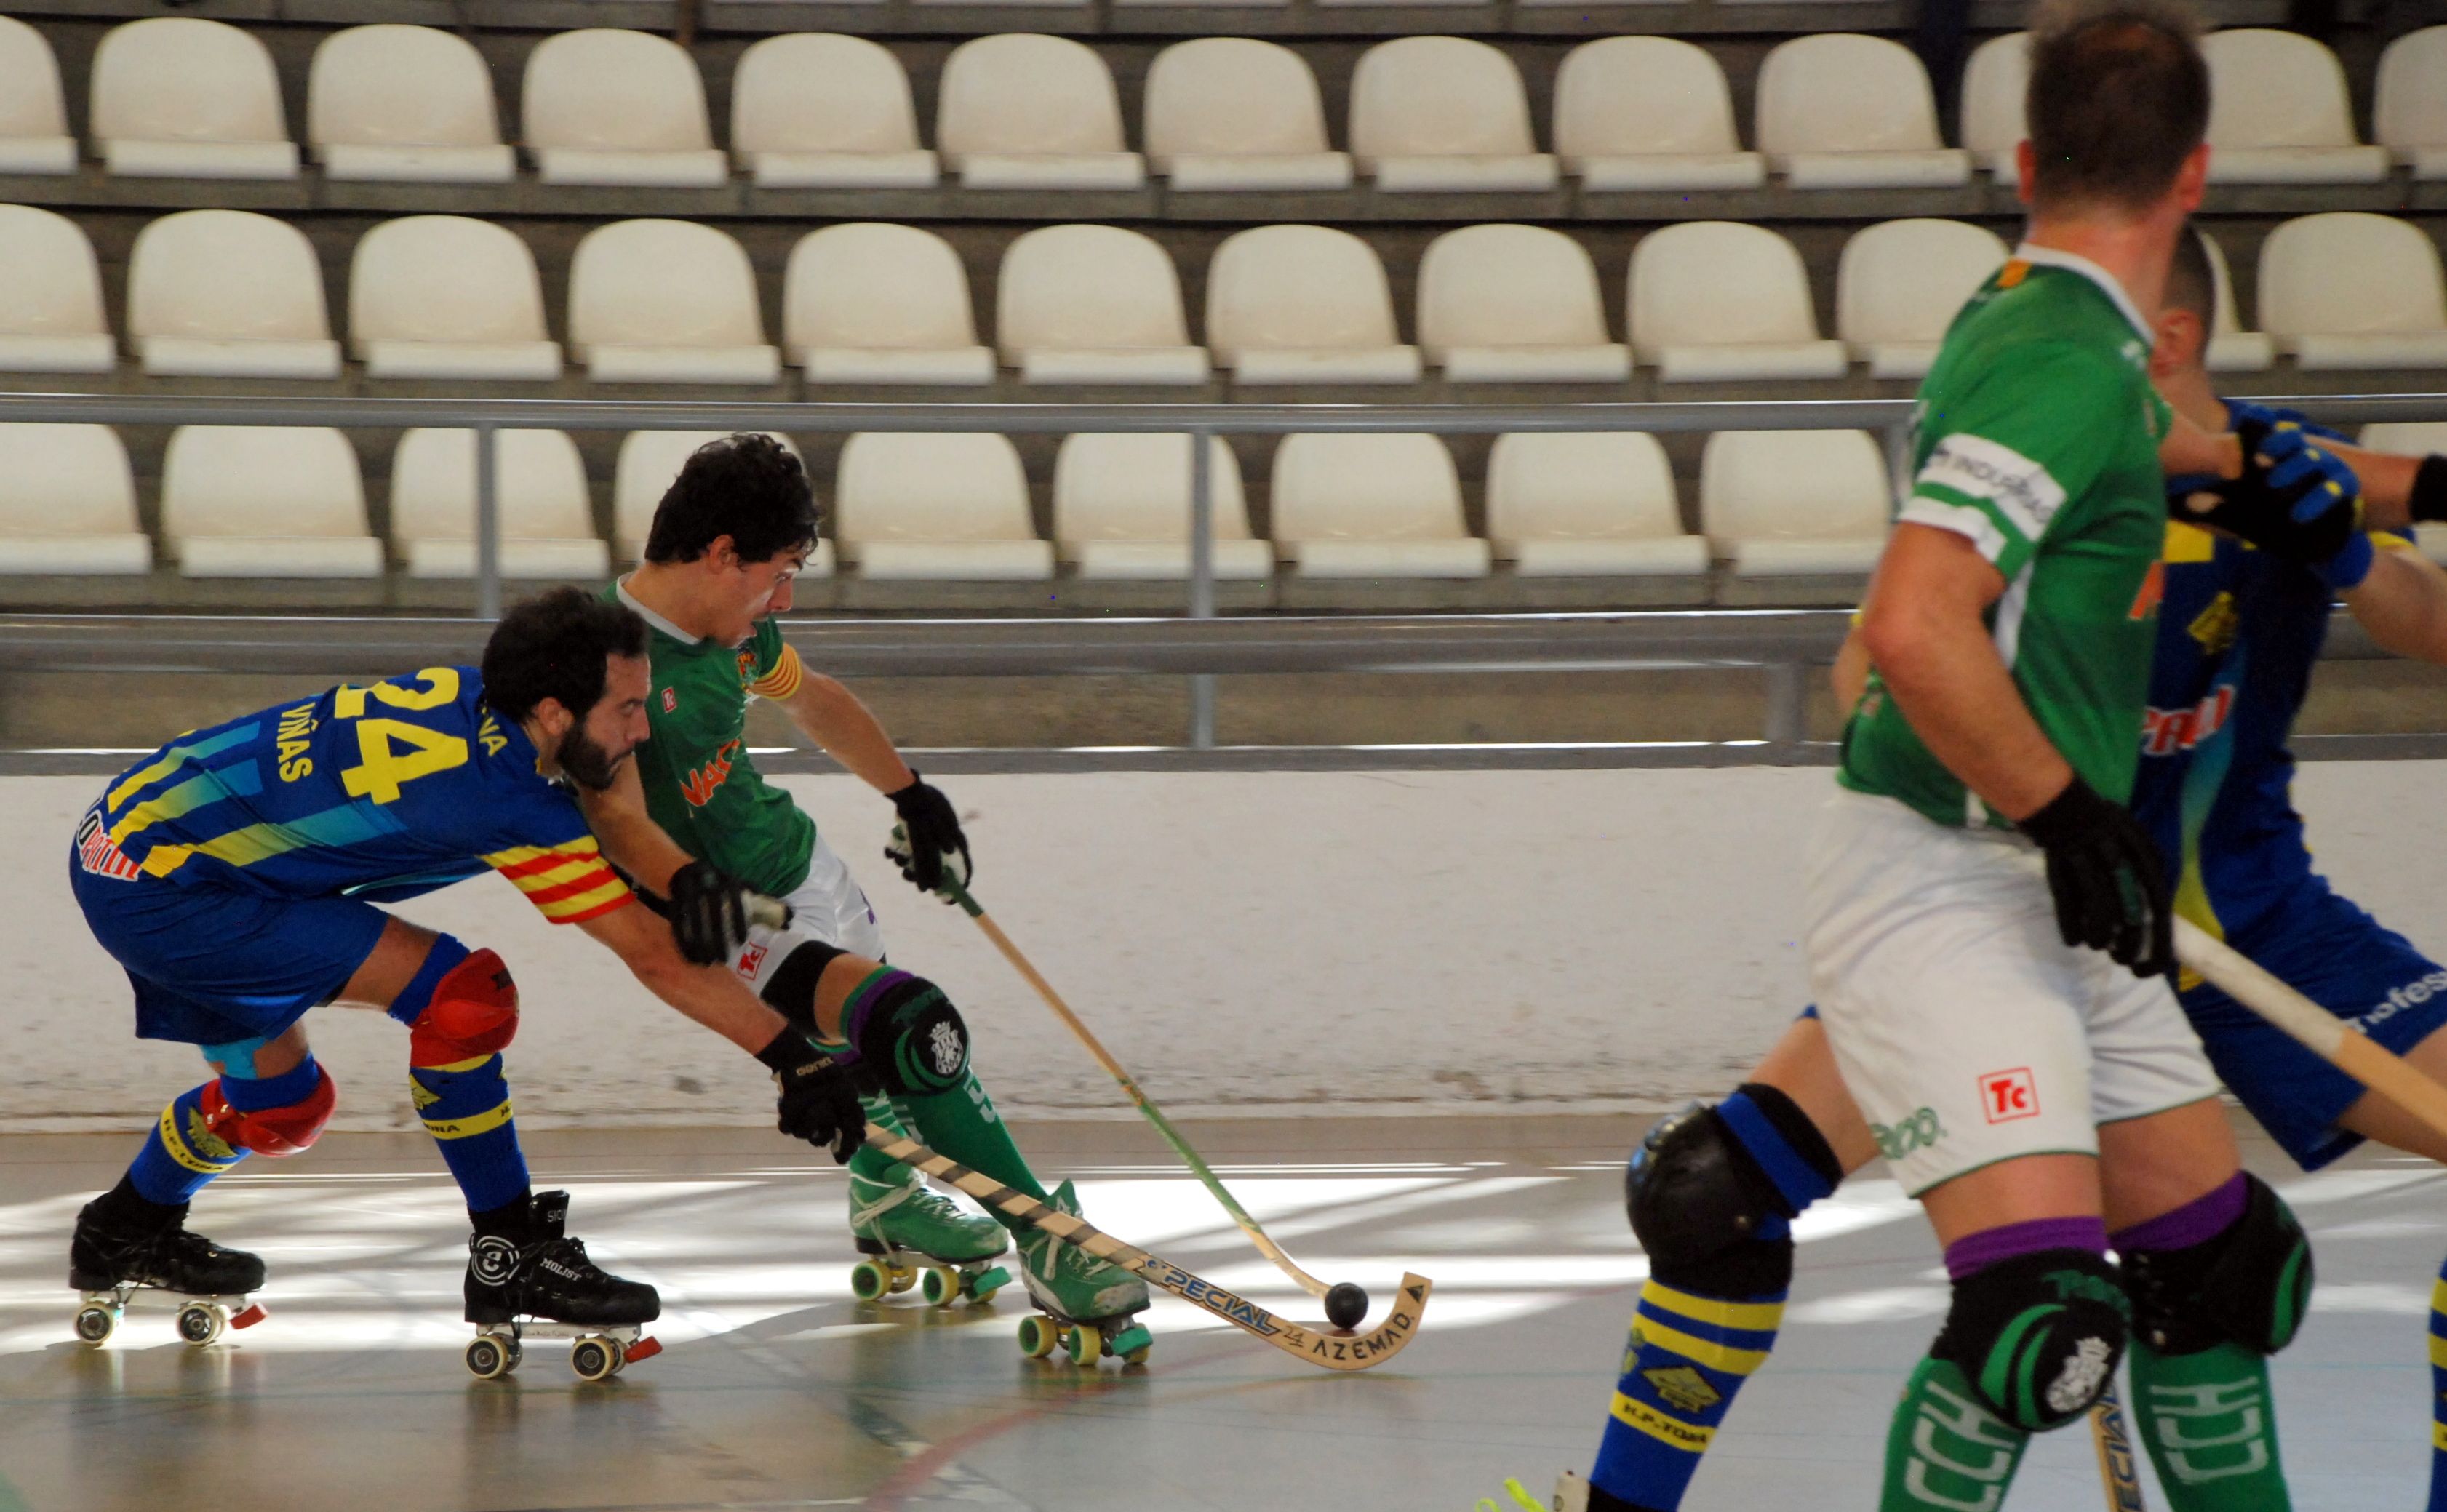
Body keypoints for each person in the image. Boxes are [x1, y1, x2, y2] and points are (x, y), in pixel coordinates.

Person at [1547, 225, 2447, 1511]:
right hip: (2025, 911)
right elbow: (1873, 660)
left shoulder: (2265, 465)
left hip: (2243, 916)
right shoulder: (2042, 454)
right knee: (1711, 1198)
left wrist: (2344, 546)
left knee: (2221, 1273)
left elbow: (2415, 571)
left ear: (2166, 339)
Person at [66, 588, 869, 1340]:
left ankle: (122, 1229)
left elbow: (608, 800)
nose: (643, 732)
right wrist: (792, 1058)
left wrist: (681, 879)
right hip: (170, 891)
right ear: (555, 713)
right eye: (628, 709)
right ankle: (510, 1253)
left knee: (282, 1109)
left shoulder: (476, 700)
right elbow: (653, 954)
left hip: (132, 844)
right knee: (461, 998)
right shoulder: (498, 799)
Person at [604, 434, 1149, 1340]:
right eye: (777, 574)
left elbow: (811, 697)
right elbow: (603, 817)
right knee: (913, 1029)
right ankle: (1047, 1242)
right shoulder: (607, 659)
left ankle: (885, 1197)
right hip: (731, 918)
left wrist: (909, 792)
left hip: (804, 867)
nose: (782, 600)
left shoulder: (739, 632)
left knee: (882, 1067)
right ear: (720, 554)